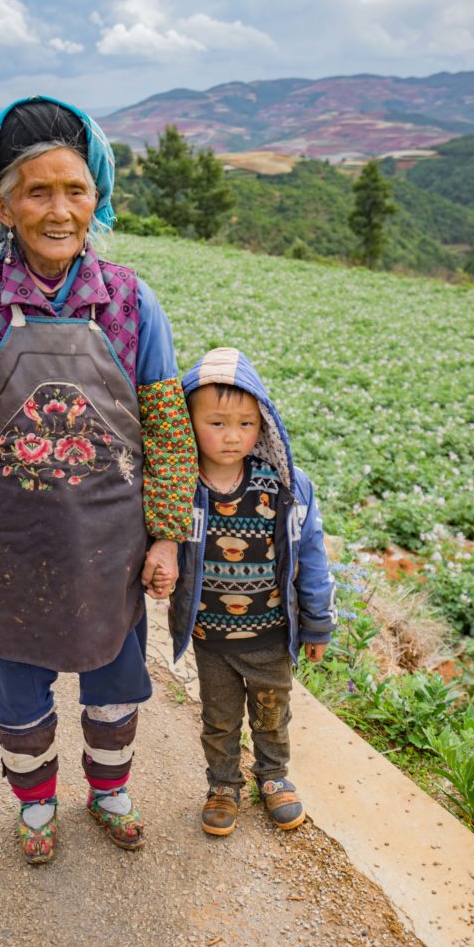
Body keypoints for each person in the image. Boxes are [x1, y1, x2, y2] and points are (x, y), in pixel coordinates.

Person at [0, 96, 198, 865]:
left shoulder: (132, 301)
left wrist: (167, 535)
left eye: (74, 190)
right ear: (2, 205)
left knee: (112, 685)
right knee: (17, 695)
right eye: (37, 192)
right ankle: (36, 807)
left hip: (111, 546)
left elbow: (167, 428)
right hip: (11, 550)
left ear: (96, 196)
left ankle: (108, 792)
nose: (59, 209)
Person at [167, 347, 336, 835]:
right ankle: (222, 785)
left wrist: (318, 623)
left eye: (245, 424)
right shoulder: (180, 488)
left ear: (263, 425)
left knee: (271, 712)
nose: (232, 436)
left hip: (269, 634)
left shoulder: (284, 487)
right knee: (218, 719)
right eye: (216, 423)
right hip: (211, 635)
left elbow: (312, 559)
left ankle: (273, 775)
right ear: (187, 423)